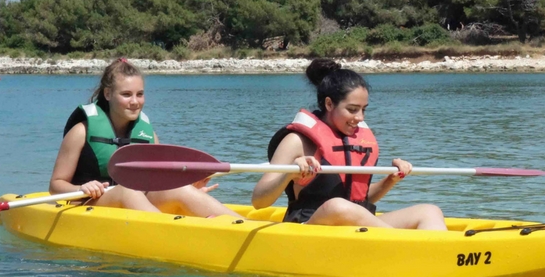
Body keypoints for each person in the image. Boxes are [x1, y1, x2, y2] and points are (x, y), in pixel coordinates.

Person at [252, 59, 447, 230]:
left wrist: (390, 180)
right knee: (337, 207)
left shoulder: (358, 140)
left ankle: (438, 257)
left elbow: (358, 202)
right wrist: (288, 174)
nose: (359, 118)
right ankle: (403, 243)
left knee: (429, 211)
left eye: (364, 110)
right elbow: (259, 201)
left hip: (356, 226)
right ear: (329, 104)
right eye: (352, 110)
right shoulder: (296, 141)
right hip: (309, 227)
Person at [49, 58, 241, 218]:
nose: (134, 102)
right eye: (126, 94)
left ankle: (247, 228)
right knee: (127, 191)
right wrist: (82, 187)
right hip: (90, 204)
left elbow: (156, 184)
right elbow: (55, 186)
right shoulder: (81, 132)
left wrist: (188, 189)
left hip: (135, 203)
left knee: (181, 189)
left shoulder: (148, 135)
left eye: (139, 94)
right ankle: (171, 233)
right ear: (108, 94)